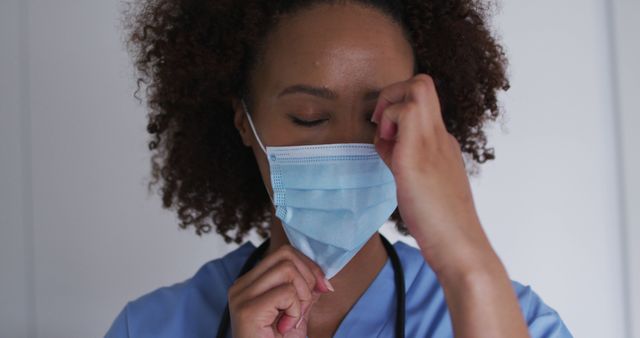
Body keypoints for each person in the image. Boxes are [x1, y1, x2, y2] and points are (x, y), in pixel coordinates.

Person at [107, 0, 573, 337]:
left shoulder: (519, 321)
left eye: (381, 117)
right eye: (308, 116)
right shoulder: (149, 327)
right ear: (244, 124)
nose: (349, 145)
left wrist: (467, 259)